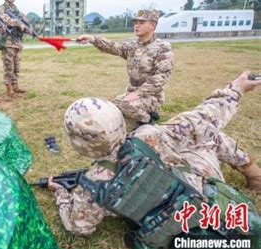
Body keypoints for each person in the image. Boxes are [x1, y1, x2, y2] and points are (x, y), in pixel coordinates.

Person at [48, 71, 261, 239]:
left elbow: (79, 228)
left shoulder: (89, 187)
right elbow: (204, 118)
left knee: (205, 135)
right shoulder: (149, 135)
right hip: (199, 198)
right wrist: (237, 88)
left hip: (164, 226)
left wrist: (61, 195)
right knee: (209, 136)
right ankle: (255, 176)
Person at [78, 10, 173, 127]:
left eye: (141, 22)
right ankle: (135, 113)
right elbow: (113, 47)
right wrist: (93, 39)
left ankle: (148, 119)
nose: (136, 25)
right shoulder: (133, 46)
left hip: (151, 96)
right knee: (111, 105)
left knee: (126, 106)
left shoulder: (162, 47)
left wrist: (138, 93)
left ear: (152, 25)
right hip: (132, 93)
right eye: (136, 22)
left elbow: (162, 76)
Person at [0, 0, 28, 98]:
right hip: (8, 42)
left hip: (17, 42)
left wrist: (27, 27)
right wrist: (18, 23)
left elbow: (25, 19)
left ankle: (15, 85)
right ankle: (8, 87)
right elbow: (4, 19)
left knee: (16, 66)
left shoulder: (16, 10)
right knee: (8, 66)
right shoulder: (1, 8)